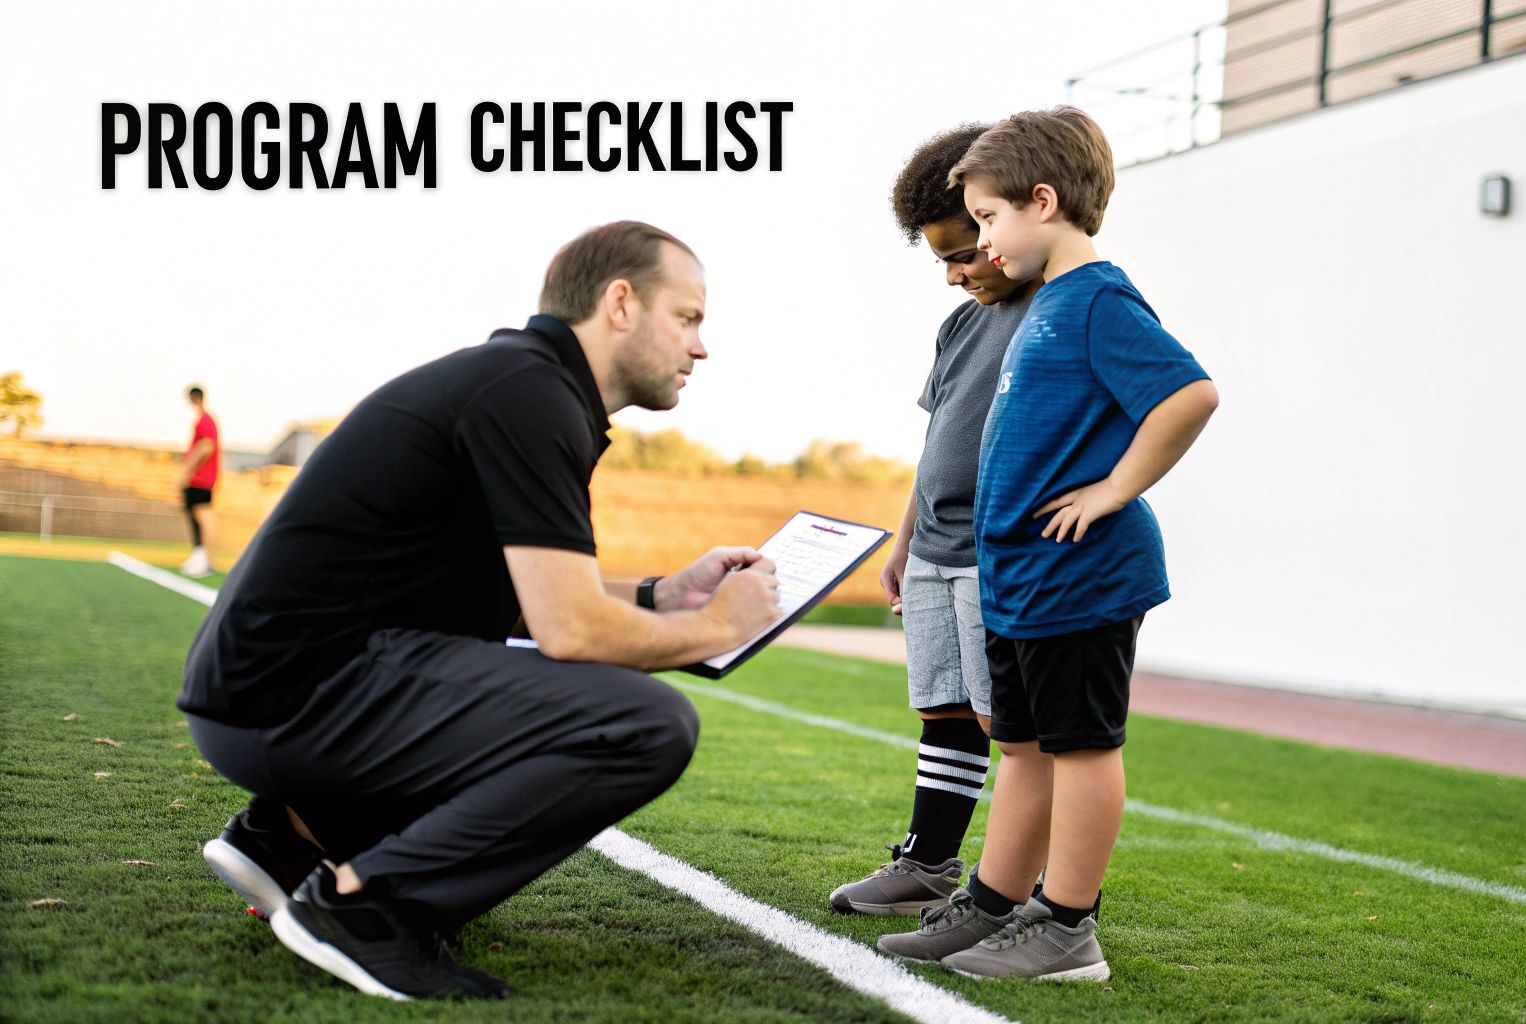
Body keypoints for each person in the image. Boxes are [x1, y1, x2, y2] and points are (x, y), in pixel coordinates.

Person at [178, 222, 782, 1001]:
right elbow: (570, 630)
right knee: (643, 724)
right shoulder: (529, 394)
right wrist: (720, 627)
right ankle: (363, 909)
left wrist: (663, 597)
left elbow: (528, 599)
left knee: (529, 676)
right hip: (294, 700)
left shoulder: (523, 382)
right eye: (689, 318)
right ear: (621, 303)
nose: (701, 348)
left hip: (276, 695)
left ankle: (296, 840)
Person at [878, 107, 1219, 981]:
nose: (982, 245)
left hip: (1081, 577)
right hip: (1019, 575)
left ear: (1043, 201)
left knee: (1081, 748)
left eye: (987, 221)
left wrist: (1114, 490)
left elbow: (1189, 395)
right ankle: (991, 907)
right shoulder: (1042, 306)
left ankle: (1069, 929)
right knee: (1025, 749)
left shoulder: (1097, 298)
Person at [828, 124, 1041, 916]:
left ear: (1000, 223)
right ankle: (928, 861)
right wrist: (904, 538)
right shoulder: (959, 324)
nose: (953, 275)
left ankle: (1014, 890)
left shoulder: (1051, 311)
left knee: (1007, 720)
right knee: (945, 707)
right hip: (934, 550)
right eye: (941, 260)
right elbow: (937, 437)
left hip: (998, 556)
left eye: (962, 253)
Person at [176, 385, 219, 578]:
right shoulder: (204, 419)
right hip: (201, 478)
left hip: (201, 479)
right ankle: (200, 555)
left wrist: (186, 470)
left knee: (203, 515)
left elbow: (206, 446)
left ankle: (206, 559)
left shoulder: (204, 420)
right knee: (196, 515)